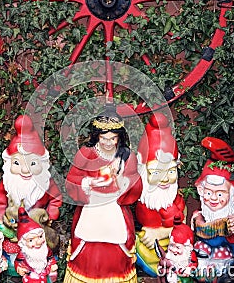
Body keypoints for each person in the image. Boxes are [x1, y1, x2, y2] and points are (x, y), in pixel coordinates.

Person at [64, 103, 143, 283]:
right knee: (88, 245)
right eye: (104, 138)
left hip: (114, 208)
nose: (108, 143)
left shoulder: (126, 157)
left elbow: (135, 185)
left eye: (113, 139)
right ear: (97, 136)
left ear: (119, 138)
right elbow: (72, 180)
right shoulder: (86, 153)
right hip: (91, 208)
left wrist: (122, 179)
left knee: (115, 247)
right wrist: (86, 183)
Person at [0, 114, 62, 275]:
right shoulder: (8, 184)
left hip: (38, 229)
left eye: (32, 164)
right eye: (17, 163)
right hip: (14, 229)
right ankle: (16, 268)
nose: (25, 170)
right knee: (14, 249)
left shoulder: (46, 183)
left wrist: (51, 214)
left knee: (43, 248)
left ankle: (44, 268)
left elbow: (56, 199)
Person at [135, 112, 186, 277]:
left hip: (172, 248)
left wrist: (160, 233)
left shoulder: (176, 201)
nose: (164, 179)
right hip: (147, 245)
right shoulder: (143, 198)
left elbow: (183, 228)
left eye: (170, 171)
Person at [191, 137, 234, 282]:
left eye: (220, 194)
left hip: (225, 260)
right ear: (201, 190)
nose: (213, 198)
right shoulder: (201, 215)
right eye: (209, 192)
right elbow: (199, 228)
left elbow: (233, 241)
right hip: (205, 256)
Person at [14, 207, 58, 283]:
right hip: (30, 275)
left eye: (40, 236)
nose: (38, 242)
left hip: (44, 273)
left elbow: (50, 257)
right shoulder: (23, 253)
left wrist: (52, 264)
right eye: (31, 240)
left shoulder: (45, 249)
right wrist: (19, 268)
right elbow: (18, 262)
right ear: (23, 243)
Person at [156, 216, 198, 283]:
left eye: (178, 247)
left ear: (187, 247)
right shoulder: (169, 255)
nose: (173, 250)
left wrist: (189, 269)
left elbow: (194, 263)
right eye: (172, 245)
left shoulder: (189, 255)